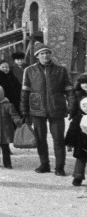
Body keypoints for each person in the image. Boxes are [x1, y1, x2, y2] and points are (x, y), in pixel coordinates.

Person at [20, 43, 75, 176]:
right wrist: (24, 110)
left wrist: (71, 106)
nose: (45, 55)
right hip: (37, 109)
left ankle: (60, 167)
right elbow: (24, 92)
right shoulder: (29, 70)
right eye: (42, 53)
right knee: (40, 138)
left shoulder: (61, 70)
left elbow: (69, 91)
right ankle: (44, 164)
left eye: (47, 53)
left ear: (50, 54)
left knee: (58, 139)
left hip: (57, 109)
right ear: (37, 56)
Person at [0, 84, 22, 169]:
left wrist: (18, 121)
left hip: (5, 130)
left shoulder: (8, 105)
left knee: (5, 148)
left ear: (1, 95)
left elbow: (14, 115)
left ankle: (7, 163)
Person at [65, 93, 87, 186]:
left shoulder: (78, 118)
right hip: (81, 143)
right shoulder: (78, 118)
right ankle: (78, 176)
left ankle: (78, 176)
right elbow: (72, 131)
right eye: (84, 106)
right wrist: (69, 142)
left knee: (81, 159)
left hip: (82, 143)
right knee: (80, 160)